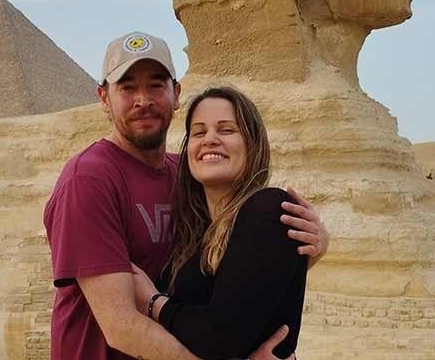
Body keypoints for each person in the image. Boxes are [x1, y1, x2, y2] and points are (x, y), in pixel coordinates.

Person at [44, 32, 328, 360]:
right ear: (104, 97)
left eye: (156, 85)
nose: (143, 100)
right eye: (127, 87)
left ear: (176, 93)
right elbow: (121, 326)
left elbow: (240, 277)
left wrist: (310, 247)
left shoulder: (189, 178)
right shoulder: (89, 179)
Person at [131, 87, 308, 359]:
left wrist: (153, 302)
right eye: (199, 132)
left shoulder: (269, 210)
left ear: (252, 143)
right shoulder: (195, 233)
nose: (210, 140)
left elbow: (220, 337)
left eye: (226, 130)